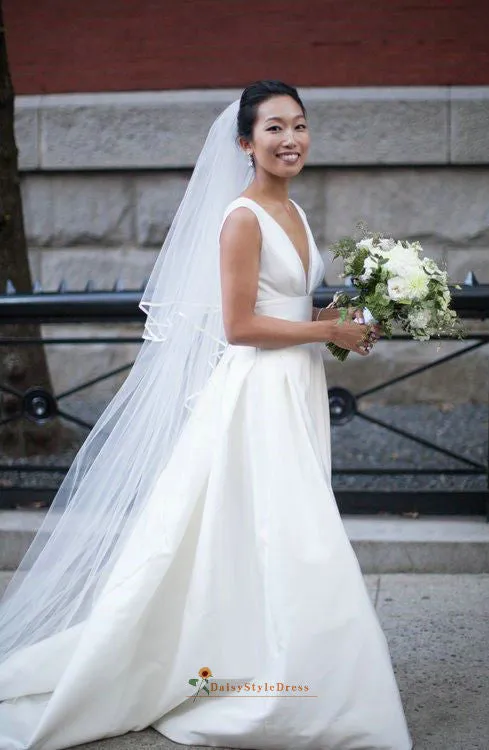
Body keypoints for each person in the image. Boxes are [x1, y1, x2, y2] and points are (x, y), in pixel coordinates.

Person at [0, 80, 413, 749]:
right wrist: (325, 336)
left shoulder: (297, 214)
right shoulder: (241, 217)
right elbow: (241, 324)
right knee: (297, 532)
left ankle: (267, 659)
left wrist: (342, 320)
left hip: (293, 386)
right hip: (257, 395)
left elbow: (286, 307)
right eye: (274, 128)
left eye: (300, 126)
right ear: (246, 143)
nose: (290, 139)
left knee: (265, 531)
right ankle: (316, 691)